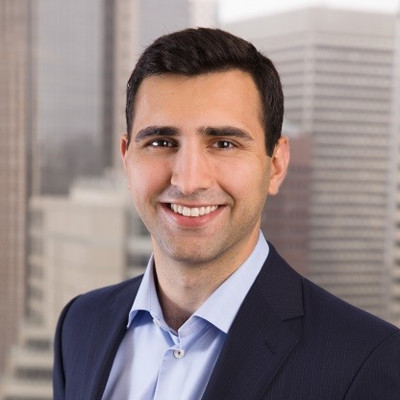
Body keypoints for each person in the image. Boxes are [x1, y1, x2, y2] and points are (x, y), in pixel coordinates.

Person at [53, 28, 400, 400]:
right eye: (161, 142)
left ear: (277, 164)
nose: (188, 181)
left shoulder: (367, 360)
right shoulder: (80, 324)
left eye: (223, 143)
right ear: (127, 158)